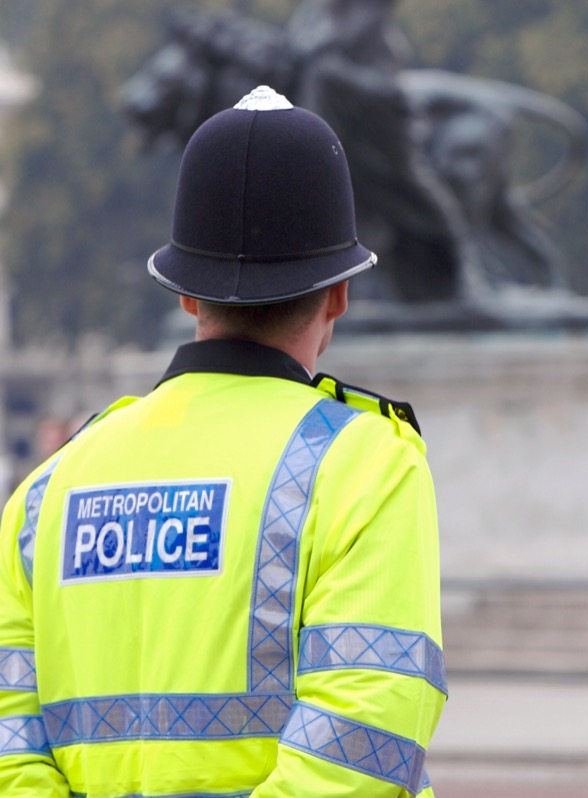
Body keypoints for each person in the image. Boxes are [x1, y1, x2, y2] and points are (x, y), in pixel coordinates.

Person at [0, 87, 445, 796]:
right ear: (339, 295)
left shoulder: (50, 489)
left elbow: (11, 749)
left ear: (185, 294)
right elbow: (363, 738)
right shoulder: (364, 465)